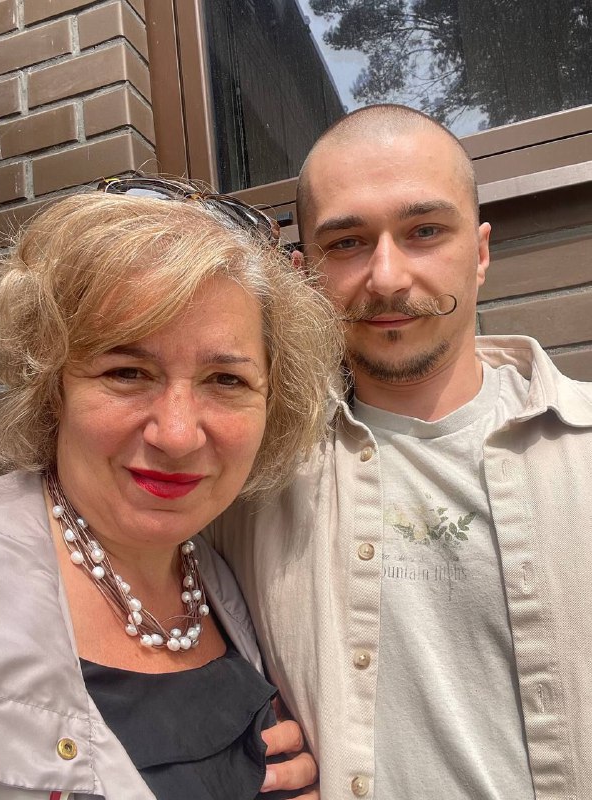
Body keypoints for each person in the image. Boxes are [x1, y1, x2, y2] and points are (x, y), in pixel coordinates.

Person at [207, 105, 592, 799]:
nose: (386, 276)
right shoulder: (242, 471)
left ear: (480, 253)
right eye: (347, 242)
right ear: (304, 275)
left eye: (424, 231)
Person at [0, 179, 342, 800]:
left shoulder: (220, 573)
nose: (177, 435)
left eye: (226, 380)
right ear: (53, 387)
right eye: (128, 372)